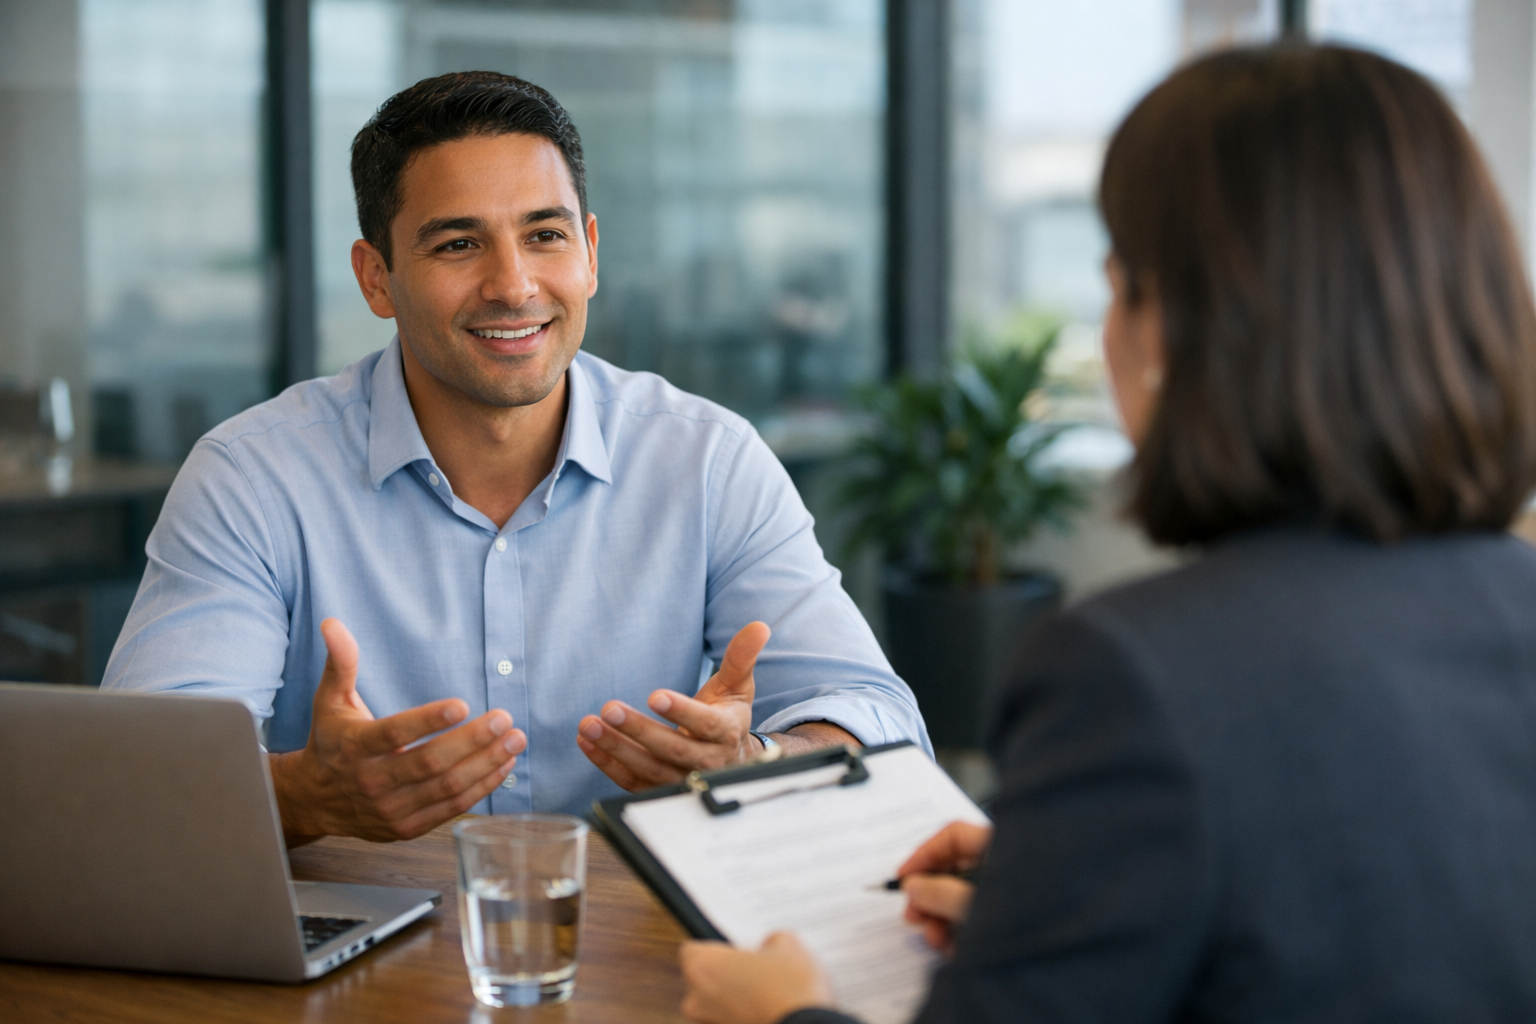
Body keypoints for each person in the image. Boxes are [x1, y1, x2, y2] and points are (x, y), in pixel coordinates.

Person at [676, 43, 1536, 1024]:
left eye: (1120, 284)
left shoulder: (1135, 673)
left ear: (1177, 329)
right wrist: (1078, 876)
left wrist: (784, 1015)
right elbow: (1394, 902)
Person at [101, 71, 927, 844]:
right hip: (359, 971)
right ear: (376, 278)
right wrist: (304, 799)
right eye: (458, 245)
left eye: (545, 235)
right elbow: (134, 785)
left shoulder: (706, 460)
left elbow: (879, 719)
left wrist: (755, 766)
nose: (514, 284)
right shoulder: (254, 478)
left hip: (641, 957)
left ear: (591, 254)